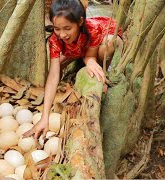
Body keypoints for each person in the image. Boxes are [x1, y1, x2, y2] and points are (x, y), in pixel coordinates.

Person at [23, 0, 124, 140]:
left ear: (80, 22)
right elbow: (53, 76)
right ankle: (79, 55)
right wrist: (44, 117)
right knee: (58, 65)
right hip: (82, 43)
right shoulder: (55, 39)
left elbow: (90, 56)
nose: (62, 34)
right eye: (57, 29)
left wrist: (90, 61)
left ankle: (102, 73)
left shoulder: (93, 29)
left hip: (105, 35)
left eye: (67, 28)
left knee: (105, 48)